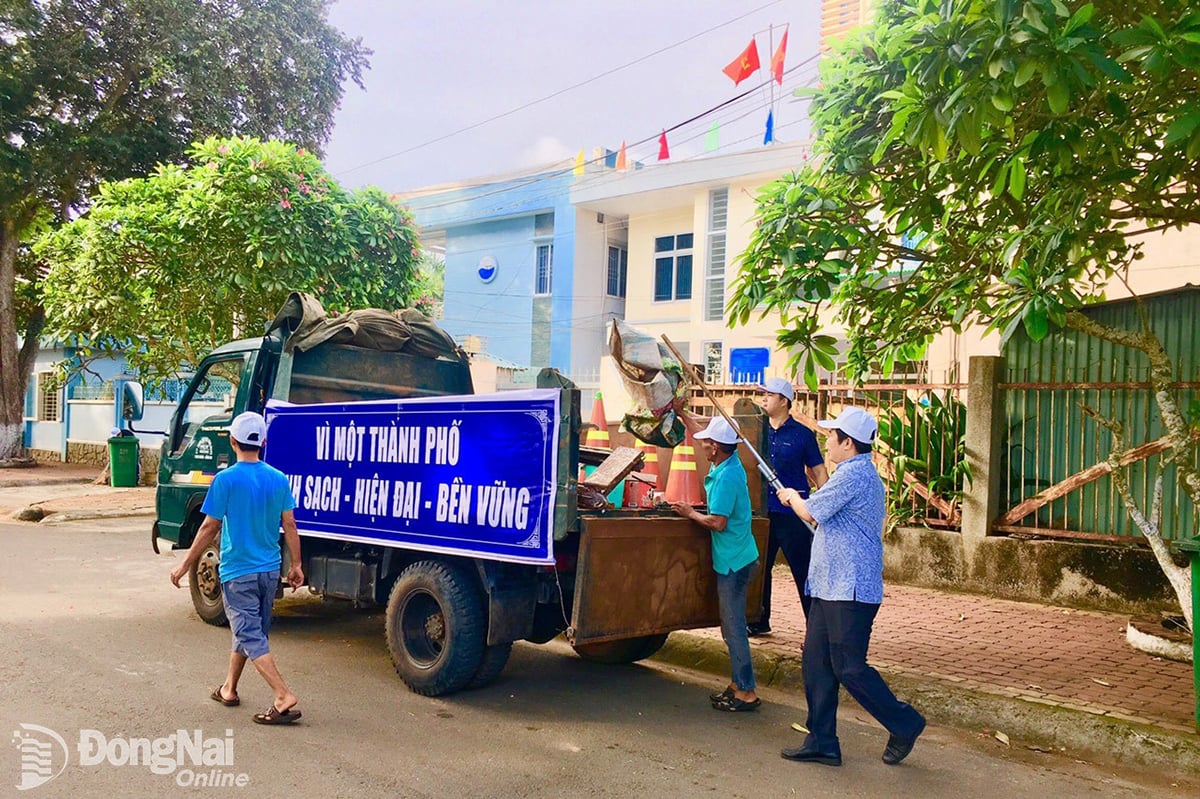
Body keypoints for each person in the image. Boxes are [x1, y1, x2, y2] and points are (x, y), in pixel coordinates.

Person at [776, 406, 925, 766]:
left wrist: (793, 497)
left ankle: (905, 722)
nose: (827, 441)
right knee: (816, 662)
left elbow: (811, 512)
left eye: (832, 436)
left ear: (848, 443)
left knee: (848, 667)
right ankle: (822, 739)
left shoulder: (854, 475)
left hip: (851, 588)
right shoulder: (853, 474)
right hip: (831, 585)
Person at [170, 411, 306, 725]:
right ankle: (229, 688)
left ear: (232, 441)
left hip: (238, 572)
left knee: (249, 633)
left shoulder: (226, 479)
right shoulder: (278, 478)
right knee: (249, 630)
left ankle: (282, 695)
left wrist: (183, 566)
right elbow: (290, 524)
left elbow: (208, 528)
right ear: (264, 443)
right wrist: (296, 565)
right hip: (269, 572)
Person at [671, 413, 761, 712]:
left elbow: (718, 522)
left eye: (707, 442)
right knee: (731, 627)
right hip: (739, 556)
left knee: (733, 628)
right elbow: (702, 432)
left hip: (734, 562)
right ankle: (738, 684)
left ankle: (746, 691)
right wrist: (683, 412)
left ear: (716, 447)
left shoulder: (727, 476)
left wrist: (690, 513)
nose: (703, 445)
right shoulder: (726, 461)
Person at [750, 377, 828, 635]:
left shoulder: (803, 435)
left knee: (803, 570)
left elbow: (817, 470)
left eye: (770, 395)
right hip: (765, 511)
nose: (764, 399)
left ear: (784, 401)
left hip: (794, 513)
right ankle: (759, 619)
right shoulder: (757, 431)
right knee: (760, 568)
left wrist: (822, 507)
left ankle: (815, 628)